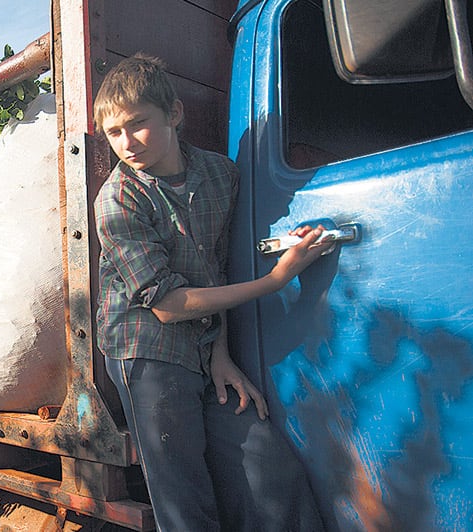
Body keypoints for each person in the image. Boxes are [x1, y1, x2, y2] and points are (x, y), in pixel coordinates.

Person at [93, 54, 326, 531]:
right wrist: (276, 280)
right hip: (146, 352)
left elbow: (214, 267)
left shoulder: (221, 174)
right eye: (114, 132)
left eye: (138, 124)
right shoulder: (117, 200)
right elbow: (167, 305)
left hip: (203, 346)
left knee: (269, 472)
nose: (126, 143)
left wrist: (220, 354)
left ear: (175, 114)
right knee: (184, 500)